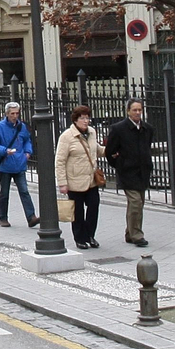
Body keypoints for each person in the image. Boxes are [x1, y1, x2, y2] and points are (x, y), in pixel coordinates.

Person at [105, 100, 154, 247]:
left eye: (140, 110)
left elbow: (147, 147)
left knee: (139, 203)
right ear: (128, 111)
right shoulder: (119, 129)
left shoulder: (148, 129)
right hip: (127, 172)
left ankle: (129, 232)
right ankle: (137, 234)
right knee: (135, 202)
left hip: (143, 171)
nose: (138, 112)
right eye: (134, 110)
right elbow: (110, 151)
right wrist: (119, 164)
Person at [55, 105, 105, 249]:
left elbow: (96, 150)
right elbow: (60, 161)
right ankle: (80, 238)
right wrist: (62, 183)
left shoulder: (92, 132)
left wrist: (111, 150)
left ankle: (90, 235)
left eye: (87, 118)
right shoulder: (67, 137)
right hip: (75, 180)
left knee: (94, 206)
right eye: (82, 118)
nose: (85, 121)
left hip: (91, 180)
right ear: (75, 120)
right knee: (77, 211)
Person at [0, 101, 37, 228]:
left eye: (17, 113)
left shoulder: (22, 126)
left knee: (24, 191)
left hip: (19, 163)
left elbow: (27, 140)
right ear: (7, 114)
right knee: (5, 193)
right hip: (5, 164)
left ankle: (31, 217)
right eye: (12, 113)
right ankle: (3, 218)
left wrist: (27, 152)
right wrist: (4, 151)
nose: (15, 116)